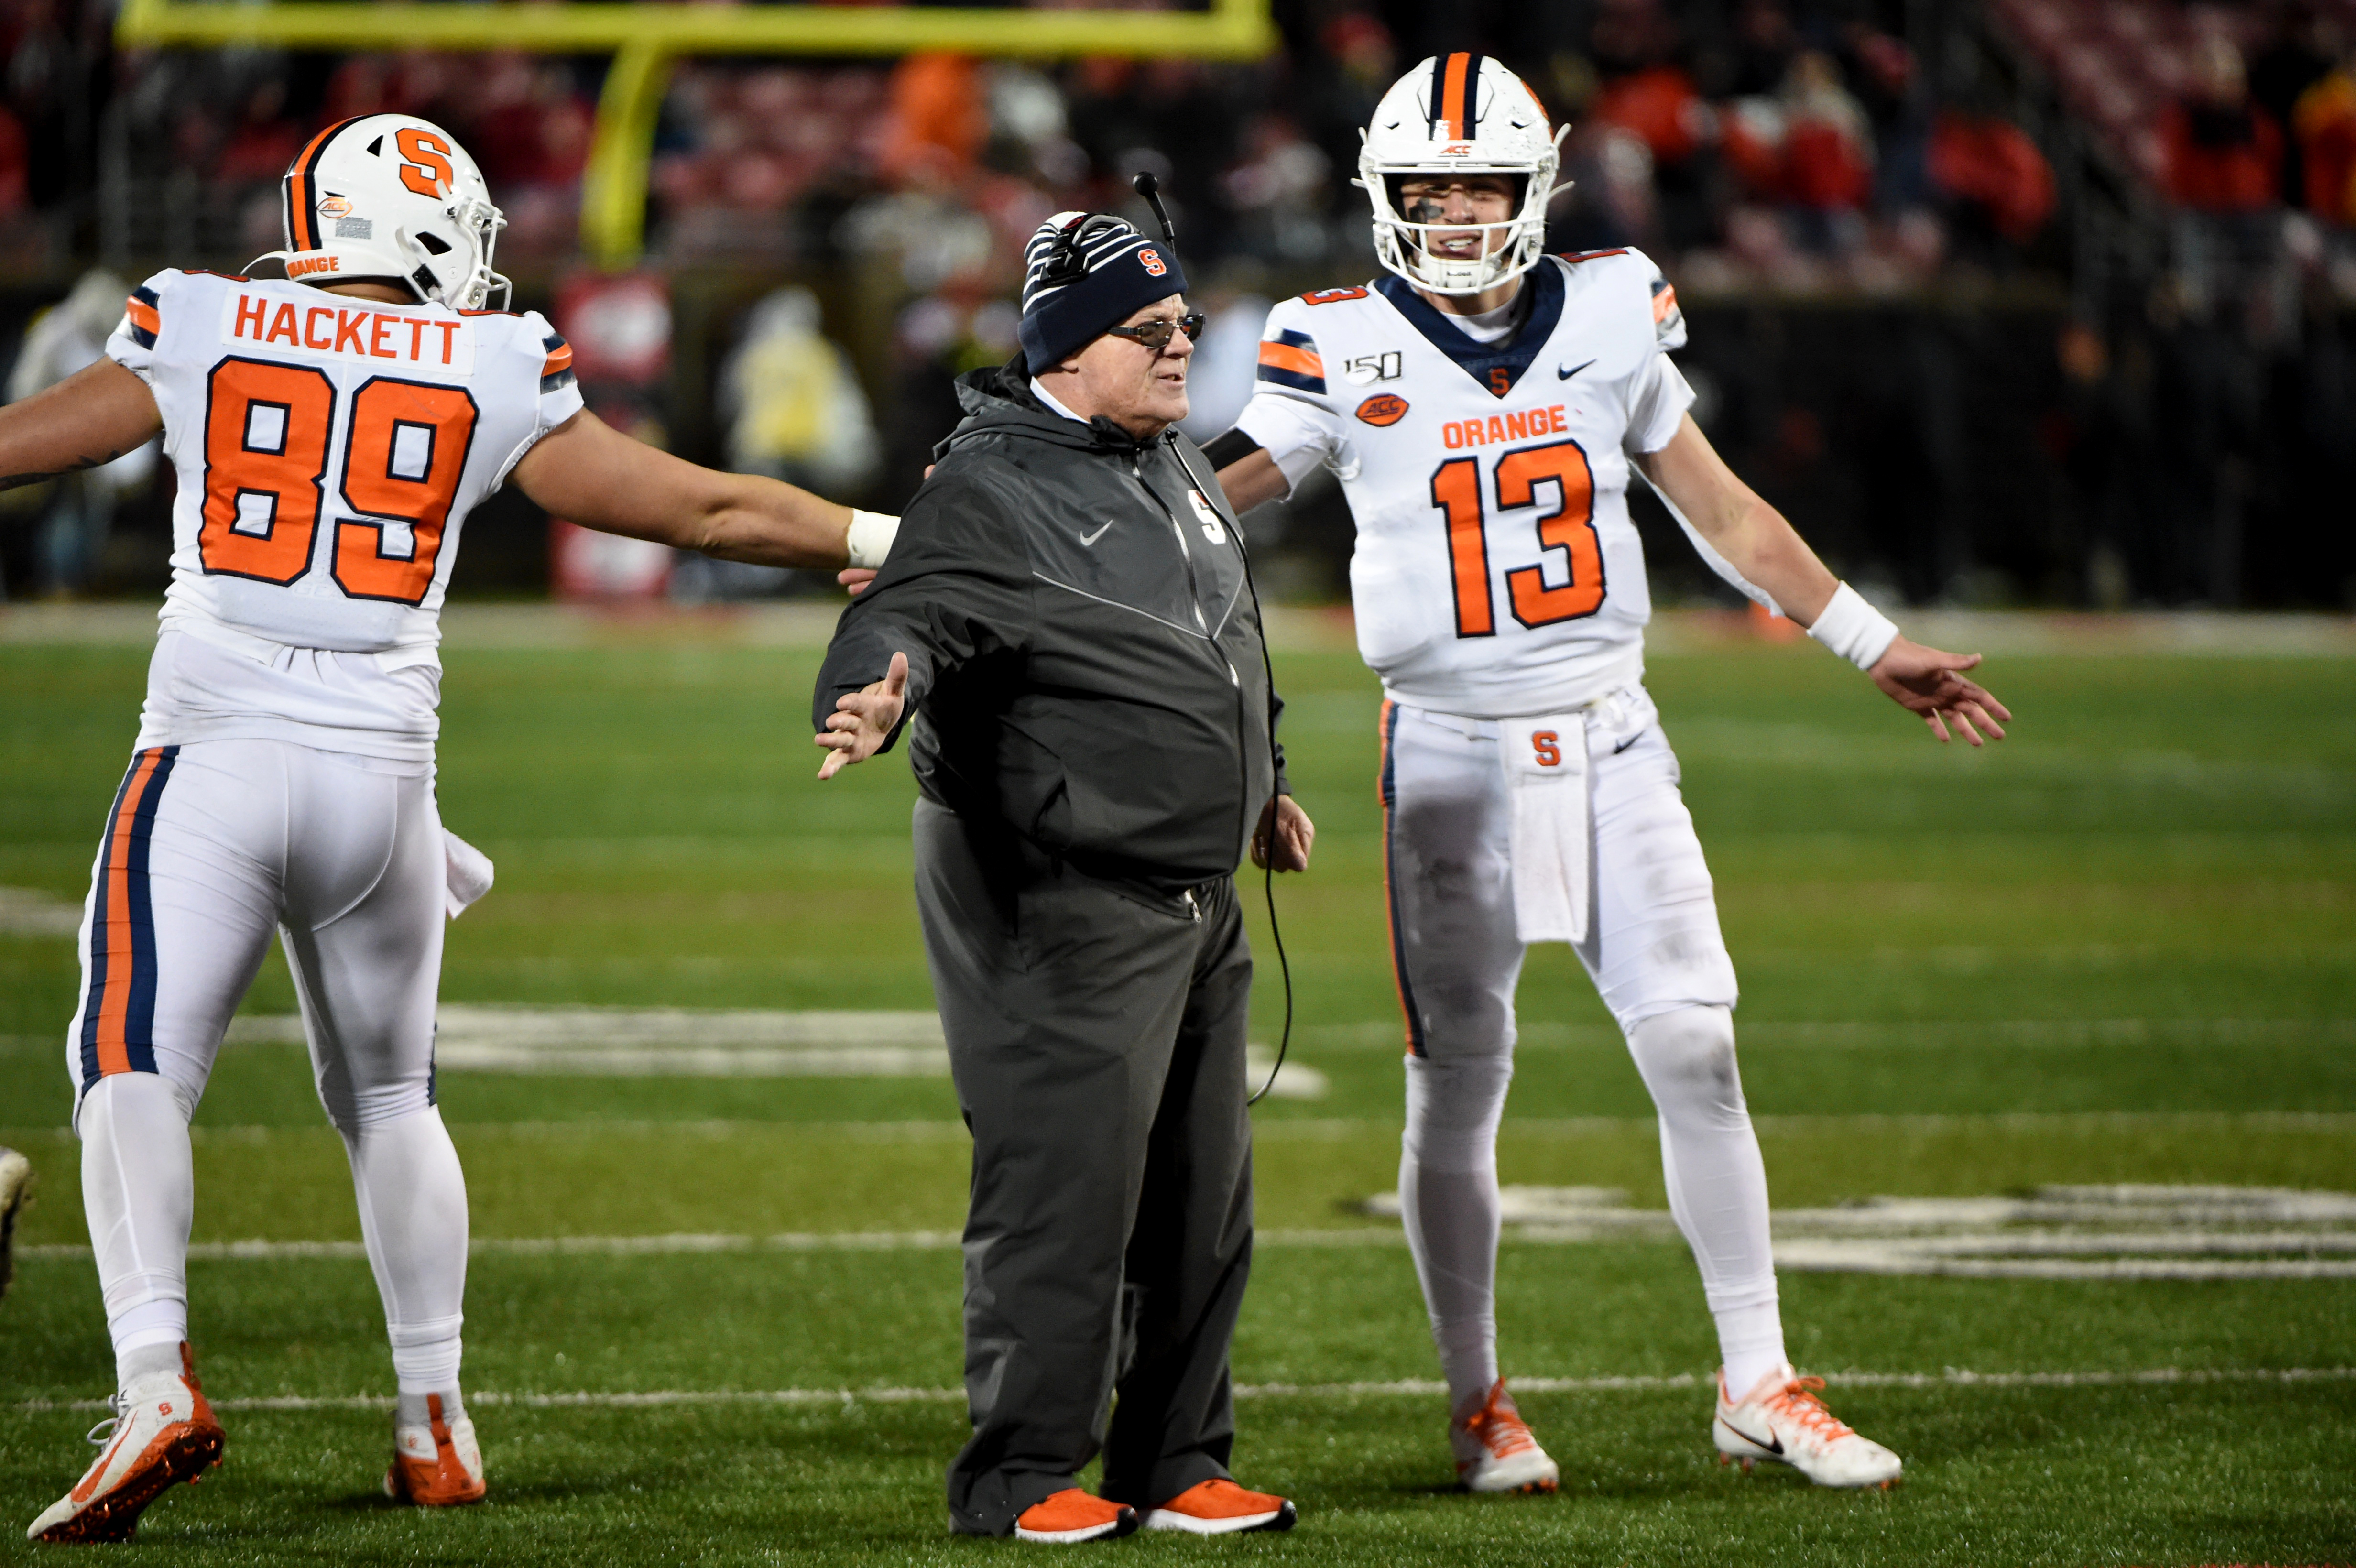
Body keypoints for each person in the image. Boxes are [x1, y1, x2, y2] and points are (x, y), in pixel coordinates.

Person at [13, 112, 897, 1544]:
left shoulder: (198, 316)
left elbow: (27, 450)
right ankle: (436, 1421)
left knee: (126, 1059)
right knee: (389, 1099)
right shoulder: (491, 362)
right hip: (384, 792)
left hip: (215, 757)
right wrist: (882, 543)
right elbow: (711, 513)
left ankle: (153, 1379)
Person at [1206, 54, 2009, 1494]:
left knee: (1697, 1044)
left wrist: (1868, 641)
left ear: (1539, 186)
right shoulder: (1331, 342)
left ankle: (1756, 1379)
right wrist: (1054, 499)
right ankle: (1478, 1400)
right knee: (1458, 1087)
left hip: (1615, 736)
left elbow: (1721, 510)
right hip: (1447, 761)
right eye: (1430, 188)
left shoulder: (1611, 302)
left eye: (1482, 185)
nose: (1456, 214)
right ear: (1383, 196)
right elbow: (1212, 495)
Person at [813, 209, 1312, 1544]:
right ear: (1068, 350)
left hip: (1195, 894)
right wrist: (868, 698)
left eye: (1186, 329)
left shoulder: (1173, 463)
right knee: (1064, 1193)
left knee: (1202, 1205)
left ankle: (1174, 1457)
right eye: (1150, 334)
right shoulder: (992, 482)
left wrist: (1262, 790)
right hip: (1060, 887)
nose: (1180, 351)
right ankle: (1023, 1473)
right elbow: (901, 612)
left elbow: (1220, 641)